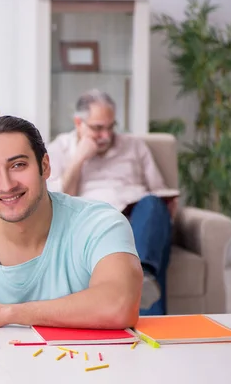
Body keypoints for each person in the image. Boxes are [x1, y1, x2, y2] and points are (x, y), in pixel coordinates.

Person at [0, 115, 143, 329]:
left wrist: (8, 313)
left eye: (18, 165)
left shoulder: (100, 224)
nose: (6, 185)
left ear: (44, 166)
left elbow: (119, 306)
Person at [46, 89, 176, 315]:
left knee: (153, 206)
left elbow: (158, 190)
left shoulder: (134, 146)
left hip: (139, 221)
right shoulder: (59, 149)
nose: (106, 135)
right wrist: (79, 159)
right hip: (98, 225)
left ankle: (143, 274)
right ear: (79, 123)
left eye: (110, 126)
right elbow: (57, 202)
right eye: (98, 128)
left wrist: (167, 206)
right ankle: (141, 281)